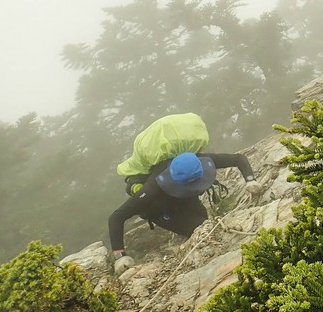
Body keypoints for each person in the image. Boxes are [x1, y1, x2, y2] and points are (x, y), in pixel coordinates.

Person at [108, 114, 261, 274]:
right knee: (200, 227)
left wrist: (251, 180)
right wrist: (120, 256)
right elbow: (117, 217)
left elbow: (238, 159)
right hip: (162, 210)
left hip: (186, 199)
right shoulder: (155, 184)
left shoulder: (196, 160)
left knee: (205, 222)